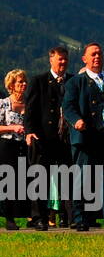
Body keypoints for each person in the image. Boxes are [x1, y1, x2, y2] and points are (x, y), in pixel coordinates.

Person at [61, 43, 104, 231]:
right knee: (82, 177)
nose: (97, 57)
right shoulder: (76, 82)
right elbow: (68, 106)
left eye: (99, 54)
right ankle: (79, 217)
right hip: (86, 137)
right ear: (84, 58)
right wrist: (76, 120)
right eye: (92, 54)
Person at [23, 46, 71, 229]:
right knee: (40, 179)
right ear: (51, 60)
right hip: (43, 138)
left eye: (65, 59)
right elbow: (31, 110)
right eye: (60, 59)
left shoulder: (73, 81)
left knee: (67, 178)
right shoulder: (39, 81)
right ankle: (40, 217)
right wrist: (29, 131)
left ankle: (69, 217)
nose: (63, 62)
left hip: (66, 139)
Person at [0, 70, 31, 230]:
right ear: (11, 85)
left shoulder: (30, 102)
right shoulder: (4, 103)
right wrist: (12, 127)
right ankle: (9, 218)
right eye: (20, 82)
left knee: (28, 180)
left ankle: (31, 215)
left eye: (25, 81)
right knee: (8, 181)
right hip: (7, 146)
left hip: (26, 145)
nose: (24, 84)